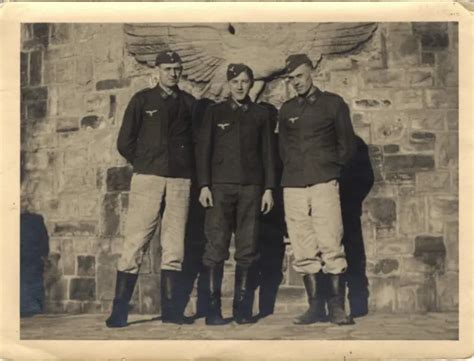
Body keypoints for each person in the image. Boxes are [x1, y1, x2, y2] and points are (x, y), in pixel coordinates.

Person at [106, 50, 196, 327]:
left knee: (174, 244)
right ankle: (119, 312)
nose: (173, 73)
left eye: (177, 69)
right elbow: (125, 142)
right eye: (168, 69)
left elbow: (195, 142)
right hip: (148, 178)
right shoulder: (142, 100)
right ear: (157, 71)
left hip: (179, 180)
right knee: (136, 241)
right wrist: (145, 162)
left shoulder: (189, 103)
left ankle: (171, 311)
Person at [278, 54, 356, 326]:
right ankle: (315, 307)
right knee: (302, 246)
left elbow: (347, 147)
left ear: (311, 72)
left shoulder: (333, 104)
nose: (295, 82)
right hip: (294, 185)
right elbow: (283, 149)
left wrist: (330, 170)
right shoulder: (286, 109)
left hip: (324, 182)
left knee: (331, 242)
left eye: (299, 76)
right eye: (290, 78)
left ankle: (336, 307)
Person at [196, 63, 276, 325]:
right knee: (215, 248)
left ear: (251, 84)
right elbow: (203, 151)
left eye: (245, 81)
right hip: (219, 189)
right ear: (229, 85)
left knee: (248, 248)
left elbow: (268, 153)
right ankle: (212, 312)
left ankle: (242, 311)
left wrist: (268, 189)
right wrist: (204, 185)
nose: (240, 86)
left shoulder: (261, 114)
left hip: (252, 189)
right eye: (235, 82)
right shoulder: (215, 112)